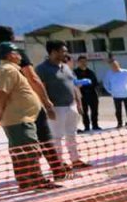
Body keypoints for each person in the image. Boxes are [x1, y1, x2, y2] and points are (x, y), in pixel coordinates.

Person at [0, 42, 58, 190]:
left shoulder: (8, 69)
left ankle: (26, 181)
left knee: (21, 151)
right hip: (19, 119)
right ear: (11, 55)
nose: (21, 56)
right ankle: (36, 181)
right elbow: (0, 92)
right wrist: (0, 111)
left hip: (21, 118)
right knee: (29, 150)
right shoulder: (8, 70)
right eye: (18, 53)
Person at [35, 41, 89, 169]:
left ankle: (75, 159)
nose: (66, 53)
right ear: (53, 52)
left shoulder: (65, 67)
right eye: (63, 51)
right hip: (56, 108)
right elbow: (40, 89)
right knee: (57, 136)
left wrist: (78, 103)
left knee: (72, 134)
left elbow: (73, 85)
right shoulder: (42, 69)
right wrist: (48, 108)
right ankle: (59, 162)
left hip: (71, 106)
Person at [103, 58, 127, 128]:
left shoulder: (125, 72)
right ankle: (119, 123)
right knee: (118, 111)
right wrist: (110, 91)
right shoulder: (109, 73)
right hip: (116, 95)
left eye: (115, 65)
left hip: (126, 94)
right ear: (110, 66)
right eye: (112, 65)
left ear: (118, 65)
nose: (114, 66)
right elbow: (106, 83)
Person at [73, 55, 101, 131]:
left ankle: (95, 125)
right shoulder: (75, 73)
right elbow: (75, 84)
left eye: (85, 61)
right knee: (84, 112)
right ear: (78, 62)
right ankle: (87, 126)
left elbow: (95, 83)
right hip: (82, 95)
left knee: (94, 111)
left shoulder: (91, 72)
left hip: (92, 94)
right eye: (81, 62)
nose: (83, 63)